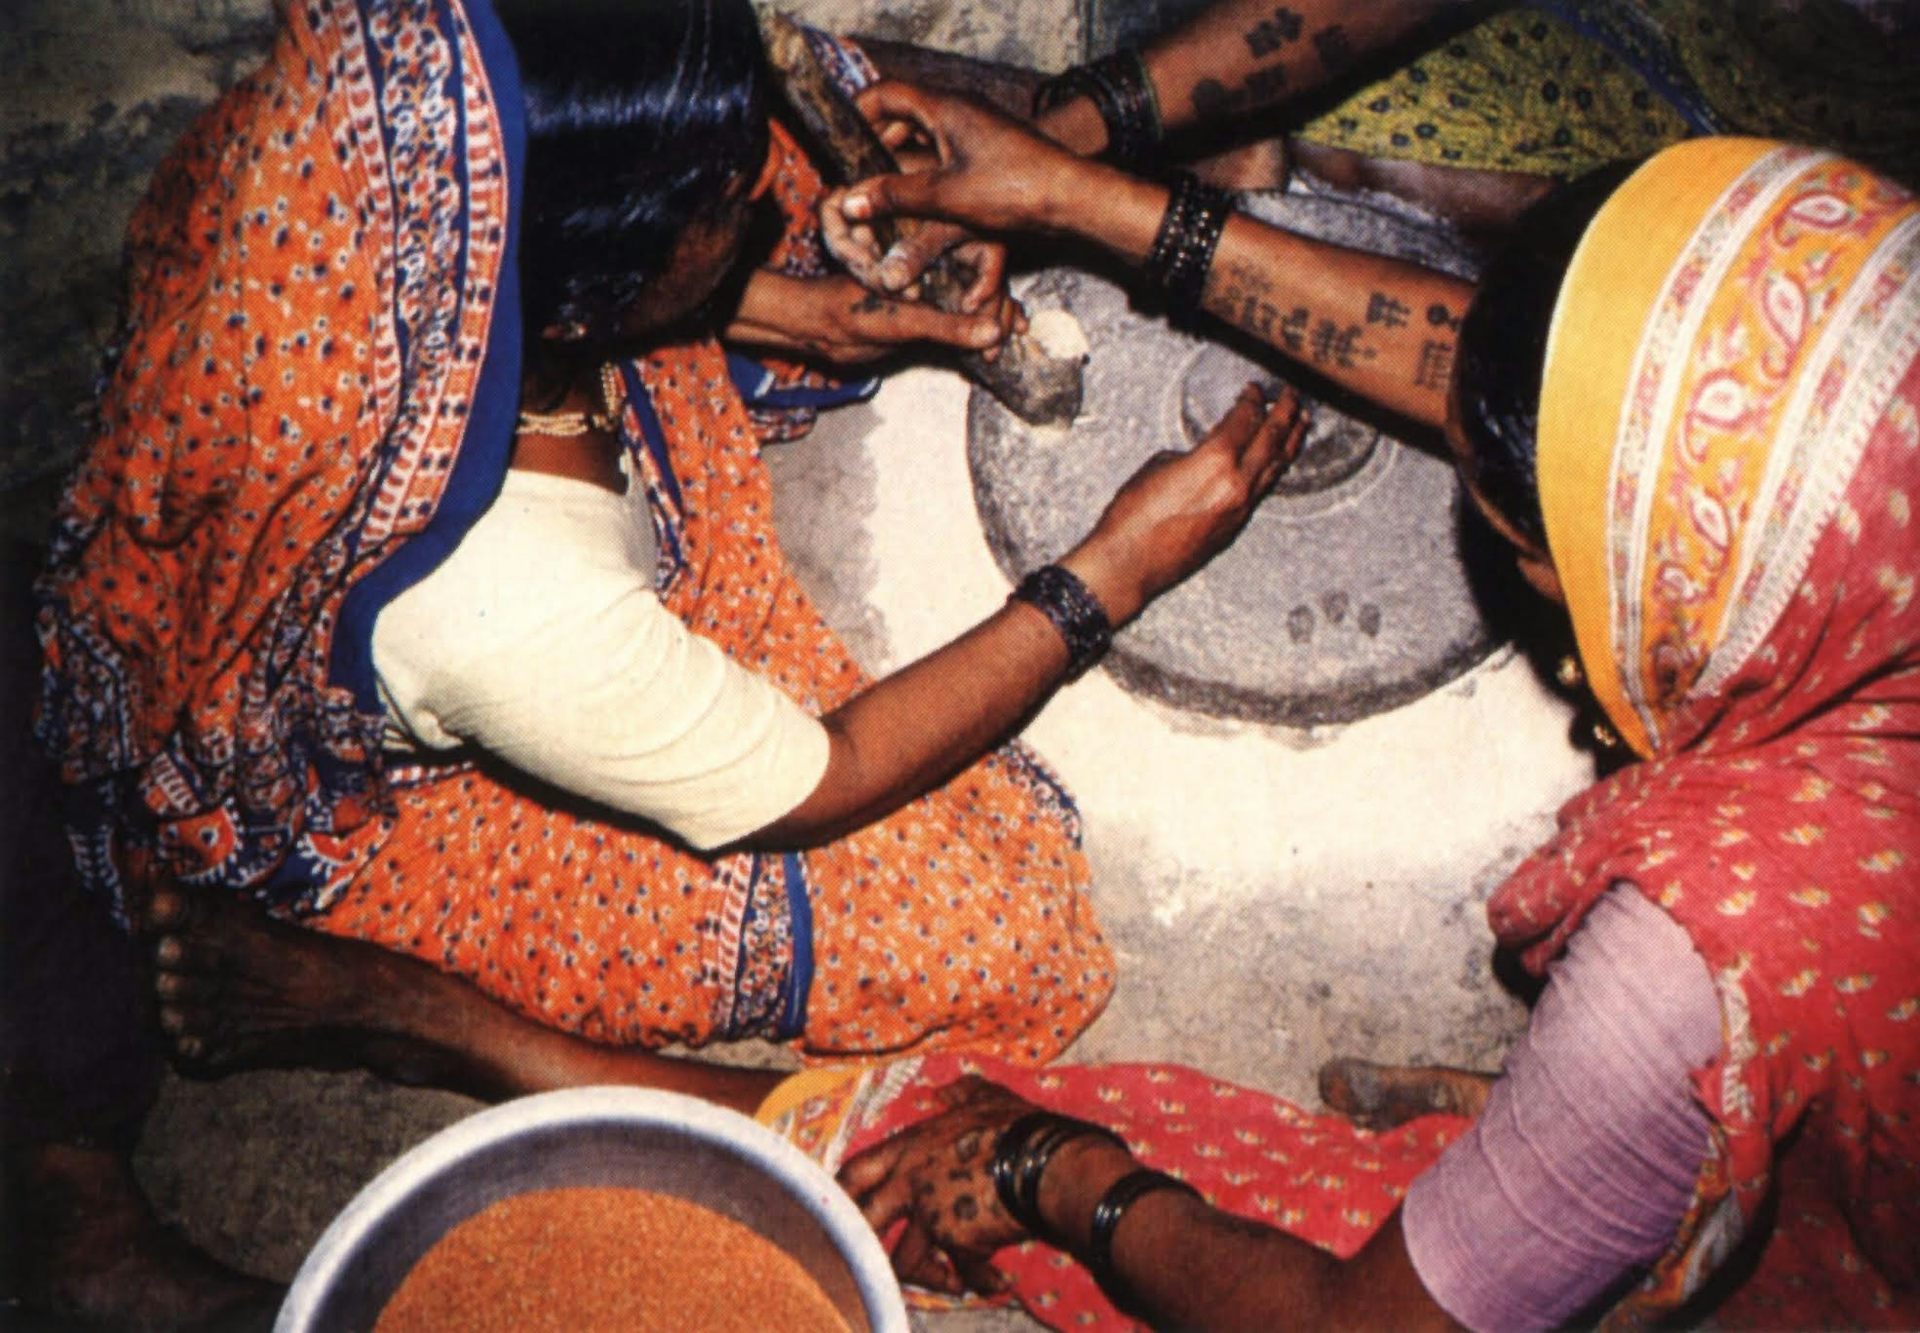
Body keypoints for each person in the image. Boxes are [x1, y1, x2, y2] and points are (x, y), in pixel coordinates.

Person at [32, 0, 1305, 1119]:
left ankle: (727, 259)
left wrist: (803, 308)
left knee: (861, 183)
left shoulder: (377, 142)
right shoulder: (497, 595)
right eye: (713, 204)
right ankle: (429, 1022)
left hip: (529, 420)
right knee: (1006, 939)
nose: (751, 197)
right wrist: (1106, 577)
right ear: (577, 301)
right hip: (406, 790)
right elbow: (829, 777)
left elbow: (532, 287)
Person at [769, 137, 1919, 1330]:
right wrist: (1077, 190)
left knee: (1173, 1187)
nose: (1517, 583)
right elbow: (1519, 374)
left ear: (1664, 572)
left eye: (1528, 550)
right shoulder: (1871, 447)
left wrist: (1052, 1168)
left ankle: (1622, 1139)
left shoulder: (1688, 963)